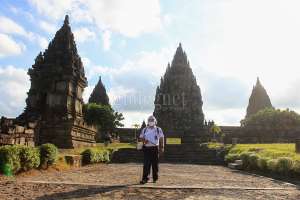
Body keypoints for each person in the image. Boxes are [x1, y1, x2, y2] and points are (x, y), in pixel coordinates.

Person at [139, 115, 164, 184]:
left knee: (155, 164)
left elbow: (161, 138)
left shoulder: (158, 129)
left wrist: (162, 147)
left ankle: (155, 178)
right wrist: (144, 140)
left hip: (155, 148)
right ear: (148, 122)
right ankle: (145, 179)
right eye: (149, 120)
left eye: (152, 120)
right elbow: (140, 138)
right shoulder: (144, 129)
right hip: (146, 148)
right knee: (146, 164)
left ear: (155, 121)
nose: (151, 121)